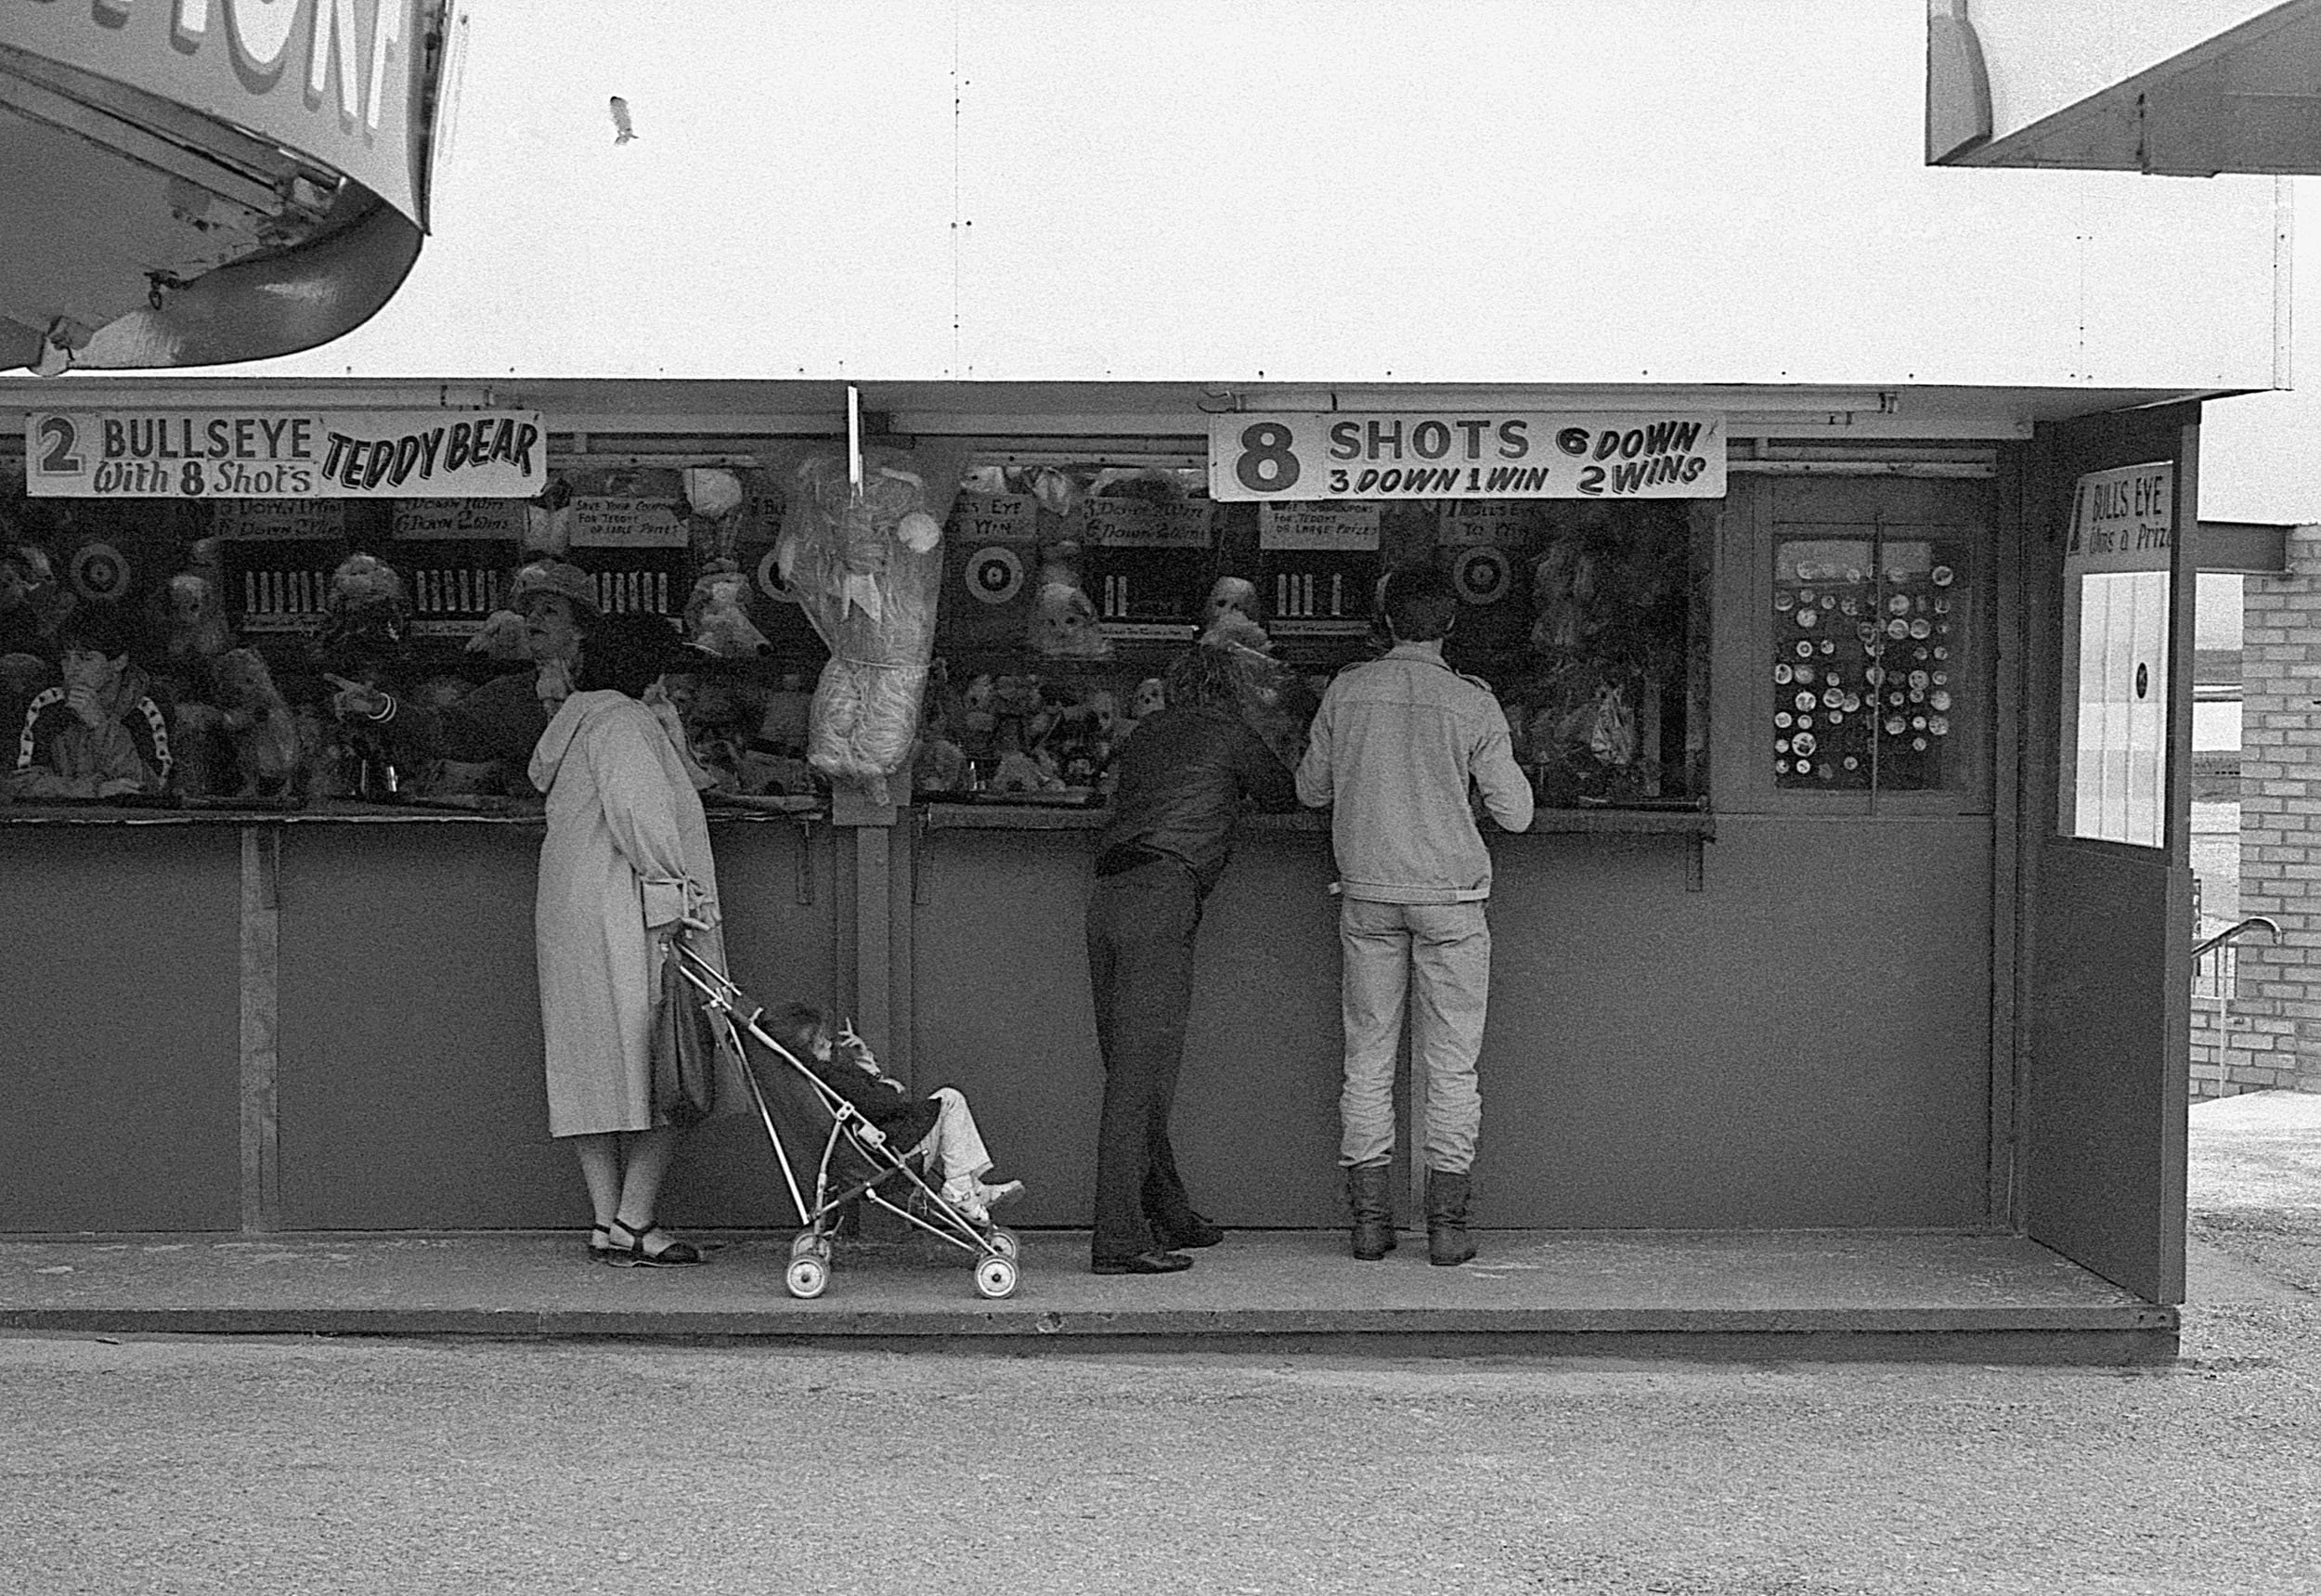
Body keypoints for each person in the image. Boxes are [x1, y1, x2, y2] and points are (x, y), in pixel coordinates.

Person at [1295, 567, 1534, 1266]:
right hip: (1452, 901)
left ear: (1386, 621)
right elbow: (1516, 814)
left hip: (1368, 895)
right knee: (1452, 1068)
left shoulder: (1347, 690)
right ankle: (1447, 1228)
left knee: (1367, 1060)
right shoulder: (1471, 703)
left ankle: (1370, 1225)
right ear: (1450, 626)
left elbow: (1310, 790)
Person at [1083, 637, 1301, 1276]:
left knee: (1132, 1069)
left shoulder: (1147, 734)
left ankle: (1169, 1210)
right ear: (1232, 692)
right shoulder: (1229, 734)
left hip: (1107, 898)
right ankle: (1120, 1239)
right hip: (1163, 896)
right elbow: (1285, 795)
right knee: (1138, 1081)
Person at [527, 610, 729, 1266]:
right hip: (630, 905)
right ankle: (637, 1218)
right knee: (672, 1055)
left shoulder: (580, 719)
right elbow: (644, 813)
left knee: (591, 1065)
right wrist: (675, 895)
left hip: (572, 905)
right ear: (654, 670)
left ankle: (606, 1219)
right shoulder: (623, 723)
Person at [331, 559, 598, 782]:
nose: (533, 619)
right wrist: (382, 707)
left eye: (549, 611)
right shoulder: (510, 694)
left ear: (580, 629)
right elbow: (446, 731)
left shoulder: (612, 690)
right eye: (530, 611)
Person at [761, 1002, 1024, 1223]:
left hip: (873, 1153)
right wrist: (887, 1085)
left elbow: (865, 1098)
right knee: (950, 1100)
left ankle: (971, 1188)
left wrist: (866, 1063)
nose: (831, 1044)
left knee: (945, 1119)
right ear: (806, 1050)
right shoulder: (829, 1077)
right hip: (889, 1157)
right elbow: (881, 1104)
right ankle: (962, 1191)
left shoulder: (813, 1081)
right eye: (822, 1043)